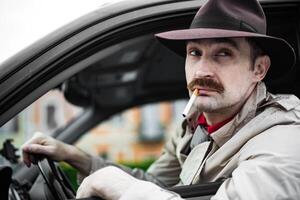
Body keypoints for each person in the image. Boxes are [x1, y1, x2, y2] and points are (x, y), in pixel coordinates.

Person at [22, 0, 300, 199]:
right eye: (194, 53)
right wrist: (76, 157)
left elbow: (135, 189)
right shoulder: (194, 126)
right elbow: (156, 185)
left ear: (258, 69)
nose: (202, 70)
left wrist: (122, 188)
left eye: (224, 53)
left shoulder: (285, 140)